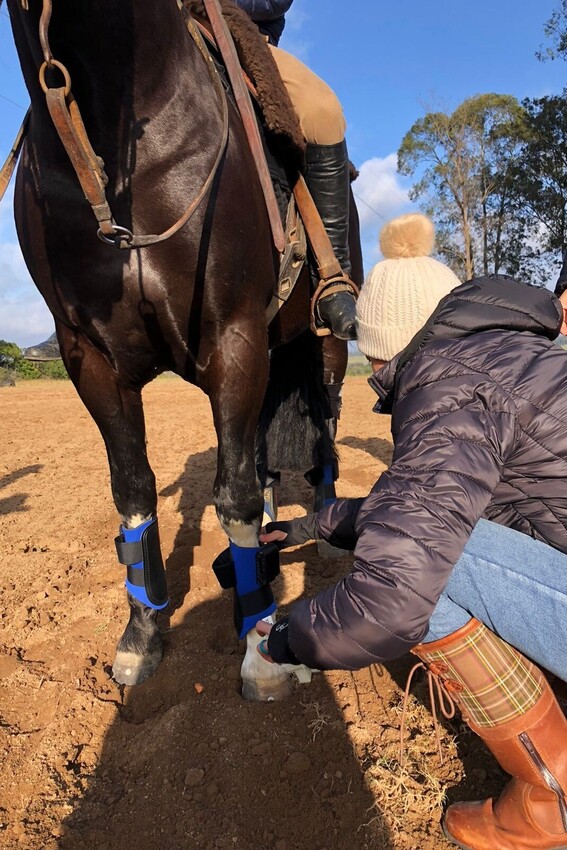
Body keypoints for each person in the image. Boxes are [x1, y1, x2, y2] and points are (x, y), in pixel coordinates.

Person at [257, 212, 567, 850]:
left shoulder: (446, 382)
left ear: (387, 343)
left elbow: (395, 592)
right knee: (436, 532)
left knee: (433, 567)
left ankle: (549, 795)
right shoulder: (509, 358)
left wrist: (283, 640)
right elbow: (422, 503)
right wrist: (312, 525)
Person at [24, 0, 357, 361]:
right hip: (149, 30)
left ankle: (332, 278)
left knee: (322, 110)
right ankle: (79, 309)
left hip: (232, 34)